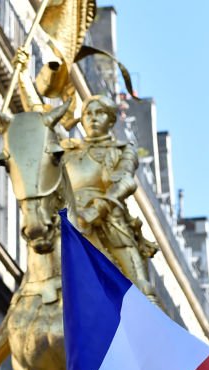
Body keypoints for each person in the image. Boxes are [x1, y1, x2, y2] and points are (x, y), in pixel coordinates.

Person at [62, 94, 158, 300]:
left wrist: (97, 209)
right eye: (88, 114)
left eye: (100, 113)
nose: (93, 118)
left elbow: (125, 181)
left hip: (108, 219)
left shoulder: (123, 150)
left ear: (111, 120)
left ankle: (150, 321)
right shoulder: (67, 151)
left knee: (141, 287)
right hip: (69, 218)